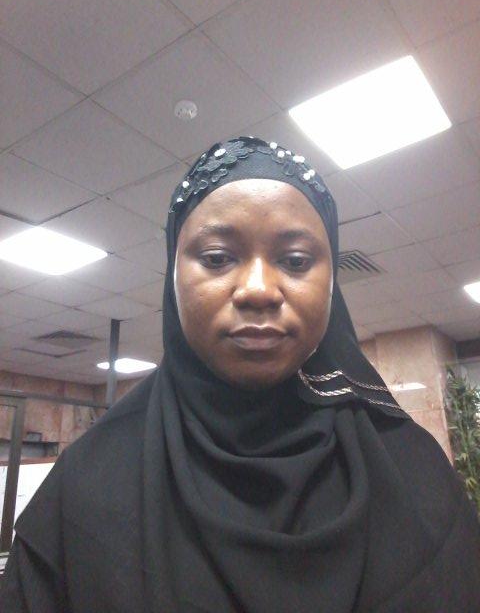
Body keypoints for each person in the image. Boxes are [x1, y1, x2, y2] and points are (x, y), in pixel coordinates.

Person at [1, 136, 479, 612]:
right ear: (172, 275)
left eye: (295, 261)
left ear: (333, 281)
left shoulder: (415, 474)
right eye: (217, 258)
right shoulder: (86, 484)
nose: (258, 290)